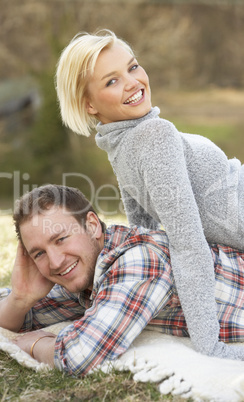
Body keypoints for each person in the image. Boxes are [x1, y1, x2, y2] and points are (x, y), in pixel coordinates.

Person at [55, 30, 244, 360]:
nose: (133, 82)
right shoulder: (133, 141)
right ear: (89, 103)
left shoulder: (148, 135)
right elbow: (149, 234)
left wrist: (207, 344)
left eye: (133, 67)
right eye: (111, 81)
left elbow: (179, 242)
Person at [0, 184, 244, 376]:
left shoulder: (140, 259)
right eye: (40, 253)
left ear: (92, 225)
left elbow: (81, 355)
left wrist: (35, 344)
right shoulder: (86, 273)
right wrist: (20, 299)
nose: (56, 261)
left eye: (60, 239)